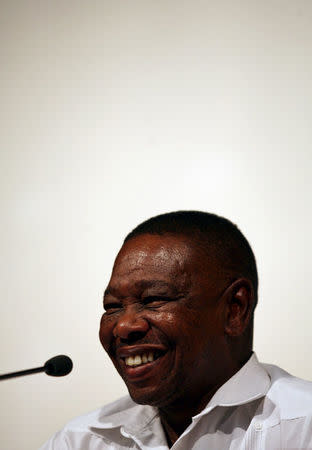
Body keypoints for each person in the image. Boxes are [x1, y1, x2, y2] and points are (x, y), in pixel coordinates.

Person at [40, 211, 312, 449]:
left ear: (234, 308)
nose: (123, 326)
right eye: (112, 306)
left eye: (153, 300)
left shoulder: (301, 427)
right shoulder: (80, 441)